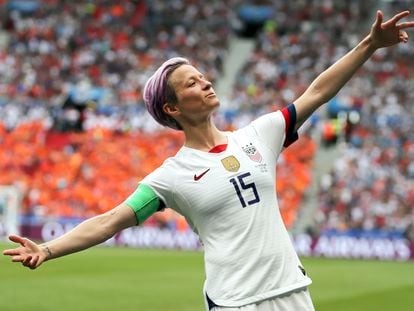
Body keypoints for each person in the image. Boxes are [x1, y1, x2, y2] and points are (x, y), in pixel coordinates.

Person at [3, 10, 414, 311]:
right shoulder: (170, 177)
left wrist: (369, 45)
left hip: (293, 294)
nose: (206, 82)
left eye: (202, 76)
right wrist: (49, 249)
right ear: (173, 108)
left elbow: (317, 93)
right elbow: (110, 221)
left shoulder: (260, 135)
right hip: (235, 303)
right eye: (192, 83)